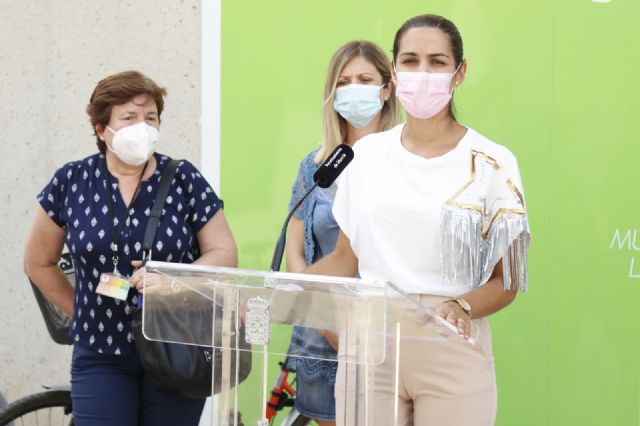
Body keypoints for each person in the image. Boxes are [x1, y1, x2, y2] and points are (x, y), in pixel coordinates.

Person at [304, 14, 531, 426]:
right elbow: (344, 259)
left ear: (460, 73)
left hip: (450, 344)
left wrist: (461, 305)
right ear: (394, 72)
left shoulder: (494, 162)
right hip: (370, 345)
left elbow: (509, 280)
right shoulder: (365, 156)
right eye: (410, 61)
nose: (422, 73)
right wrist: (280, 289)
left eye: (437, 62)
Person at [23, 70, 237, 426]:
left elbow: (224, 252)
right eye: (129, 117)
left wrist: (173, 280)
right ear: (101, 128)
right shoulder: (71, 180)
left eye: (150, 117)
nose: (143, 127)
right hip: (100, 352)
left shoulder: (183, 178)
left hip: (177, 344)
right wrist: (81, 311)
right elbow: (38, 262)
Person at [284, 40, 399, 425]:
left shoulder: (405, 163)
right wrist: (323, 317)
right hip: (322, 335)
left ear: (387, 89)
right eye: (344, 82)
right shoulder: (316, 165)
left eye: (364, 79)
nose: (354, 89)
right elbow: (295, 251)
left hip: (386, 337)